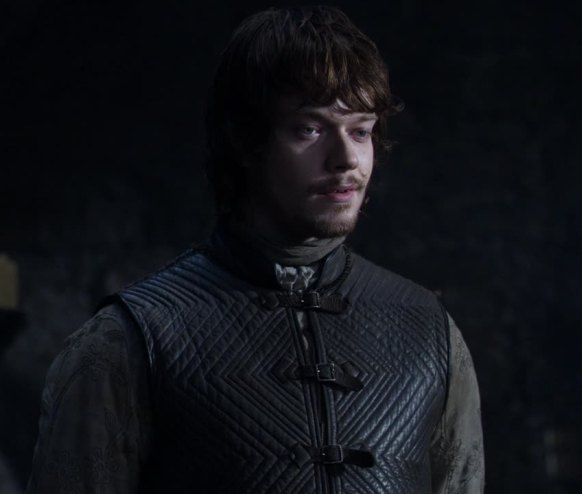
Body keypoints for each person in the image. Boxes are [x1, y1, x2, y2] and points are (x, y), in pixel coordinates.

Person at [27, 6, 484, 493]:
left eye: (361, 130)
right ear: (244, 139)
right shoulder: (130, 340)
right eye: (310, 129)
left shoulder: (429, 332)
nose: (346, 159)